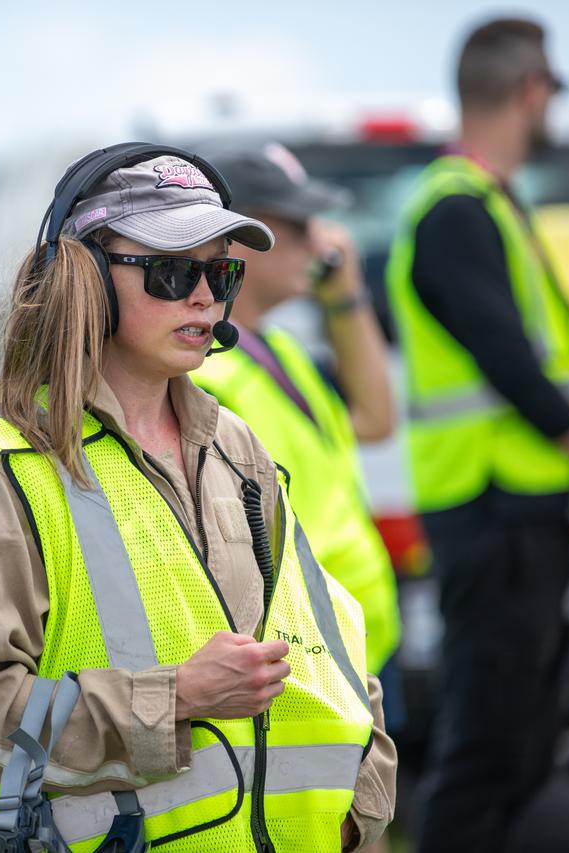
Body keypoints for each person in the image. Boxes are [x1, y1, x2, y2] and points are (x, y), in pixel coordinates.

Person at [0, 144, 396, 853]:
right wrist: (178, 697)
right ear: (88, 281)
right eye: (174, 272)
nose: (206, 297)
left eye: (221, 271)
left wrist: (364, 812)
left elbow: (338, 656)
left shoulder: (240, 451)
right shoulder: (0, 468)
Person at [385, 18, 569, 853]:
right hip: (489, 510)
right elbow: (508, 361)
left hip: (521, 510)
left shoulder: (495, 207)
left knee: (525, 746)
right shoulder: (455, 213)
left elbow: (554, 358)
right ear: (531, 91)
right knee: (490, 751)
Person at [189, 141, 402, 692]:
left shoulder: (279, 349)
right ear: (236, 239)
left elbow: (377, 420)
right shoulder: (206, 377)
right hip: (308, 666)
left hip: (359, 648)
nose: (323, 242)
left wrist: (346, 294)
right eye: (299, 224)